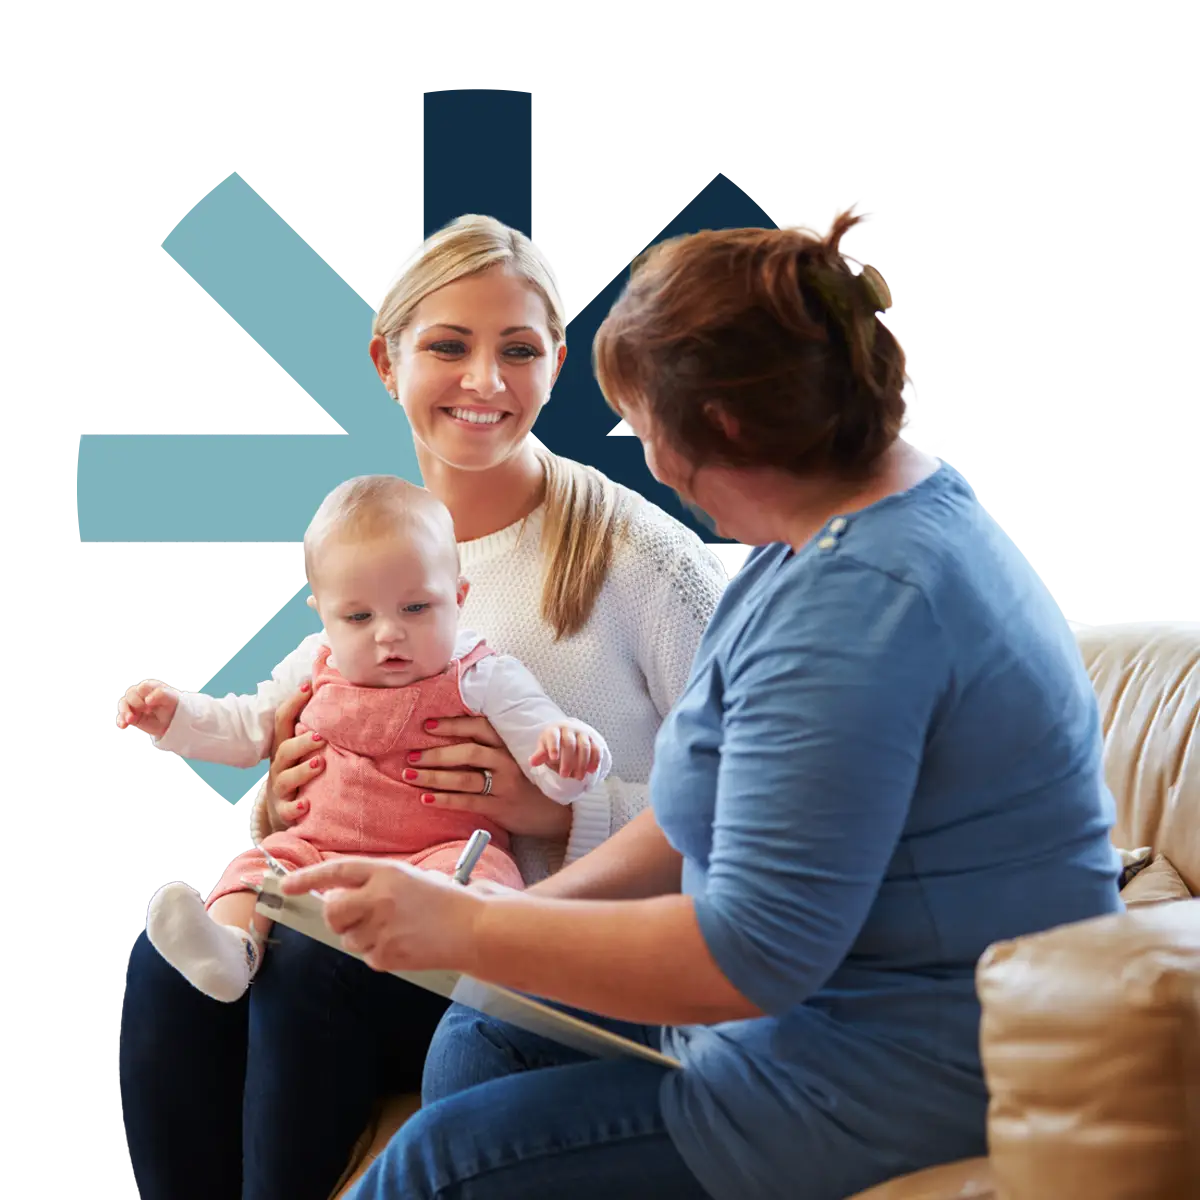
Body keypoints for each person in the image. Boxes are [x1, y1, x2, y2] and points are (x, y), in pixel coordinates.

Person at [275, 208, 1125, 1200]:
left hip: (889, 1070)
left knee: (435, 1165)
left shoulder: (856, 612)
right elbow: (697, 814)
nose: (647, 462)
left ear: (720, 426)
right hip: (820, 1015)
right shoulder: (838, 526)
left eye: (642, 429)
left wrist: (464, 930)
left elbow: (749, 957)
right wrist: (503, 916)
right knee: (486, 1025)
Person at [117, 215, 730, 1200]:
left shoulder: (640, 558)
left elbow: (754, 799)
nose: (485, 380)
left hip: (541, 952)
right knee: (165, 970)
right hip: (389, 915)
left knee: (312, 965)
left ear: (557, 362)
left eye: (518, 350)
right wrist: (275, 801)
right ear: (386, 362)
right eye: (449, 345)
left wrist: (560, 814)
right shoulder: (377, 551)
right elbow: (315, 747)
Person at [118, 475, 611, 1003]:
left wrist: (569, 753)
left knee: (481, 875)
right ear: (324, 616)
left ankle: (463, 958)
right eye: (358, 617)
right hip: (315, 850)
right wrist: (177, 716)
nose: (388, 633)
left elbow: (545, 748)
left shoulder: (482, 675)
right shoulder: (315, 661)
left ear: (459, 597)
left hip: (437, 856)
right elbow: (244, 728)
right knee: (256, 869)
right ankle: (232, 950)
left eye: (416, 608)